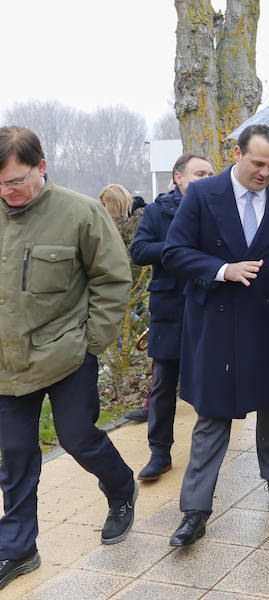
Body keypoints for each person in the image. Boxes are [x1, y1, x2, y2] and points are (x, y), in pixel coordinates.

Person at [161, 124, 269, 546]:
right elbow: (174, 252)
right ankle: (194, 512)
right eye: (258, 163)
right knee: (212, 416)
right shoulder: (201, 194)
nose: (265, 172)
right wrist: (222, 270)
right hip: (215, 321)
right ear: (236, 153)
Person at [0, 127, 136, 591]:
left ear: (41, 167)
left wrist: (89, 344)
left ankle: (120, 488)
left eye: (15, 181)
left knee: (77, 437)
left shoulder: (81, 212)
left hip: (65, 354)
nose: (6, 192)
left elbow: (114, 280)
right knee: (16, 454)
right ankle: (19, 550)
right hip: (7, 362)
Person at [129, 153, 214, 481]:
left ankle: (207, 450)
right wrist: (174, 250)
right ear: (179, 178)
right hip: (170, 309)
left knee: (209, 380)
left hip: (209, 305)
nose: (206, 178)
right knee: (164, 383)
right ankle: (159, 452)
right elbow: (138, 251)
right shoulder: (156, 211)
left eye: (210, 173)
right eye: (199, 173)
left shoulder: (221, 210)